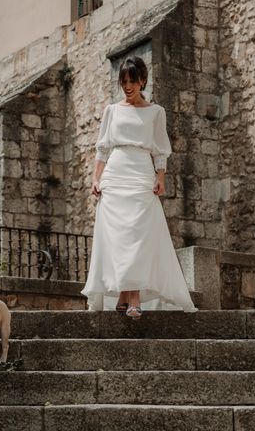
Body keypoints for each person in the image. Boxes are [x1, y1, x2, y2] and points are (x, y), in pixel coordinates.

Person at [80, 56, 198, 319]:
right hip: (115, 173)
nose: (128, 86)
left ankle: (127, 295)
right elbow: (102, 149)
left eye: (132, 81)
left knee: (138, 236)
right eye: (124, 81)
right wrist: (95, 179)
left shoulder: (156, 112)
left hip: (141, 174)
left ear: (143, 80)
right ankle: (132, 298)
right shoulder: (112, 110)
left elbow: (160, 151)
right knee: (119, 238)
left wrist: (161, 178)